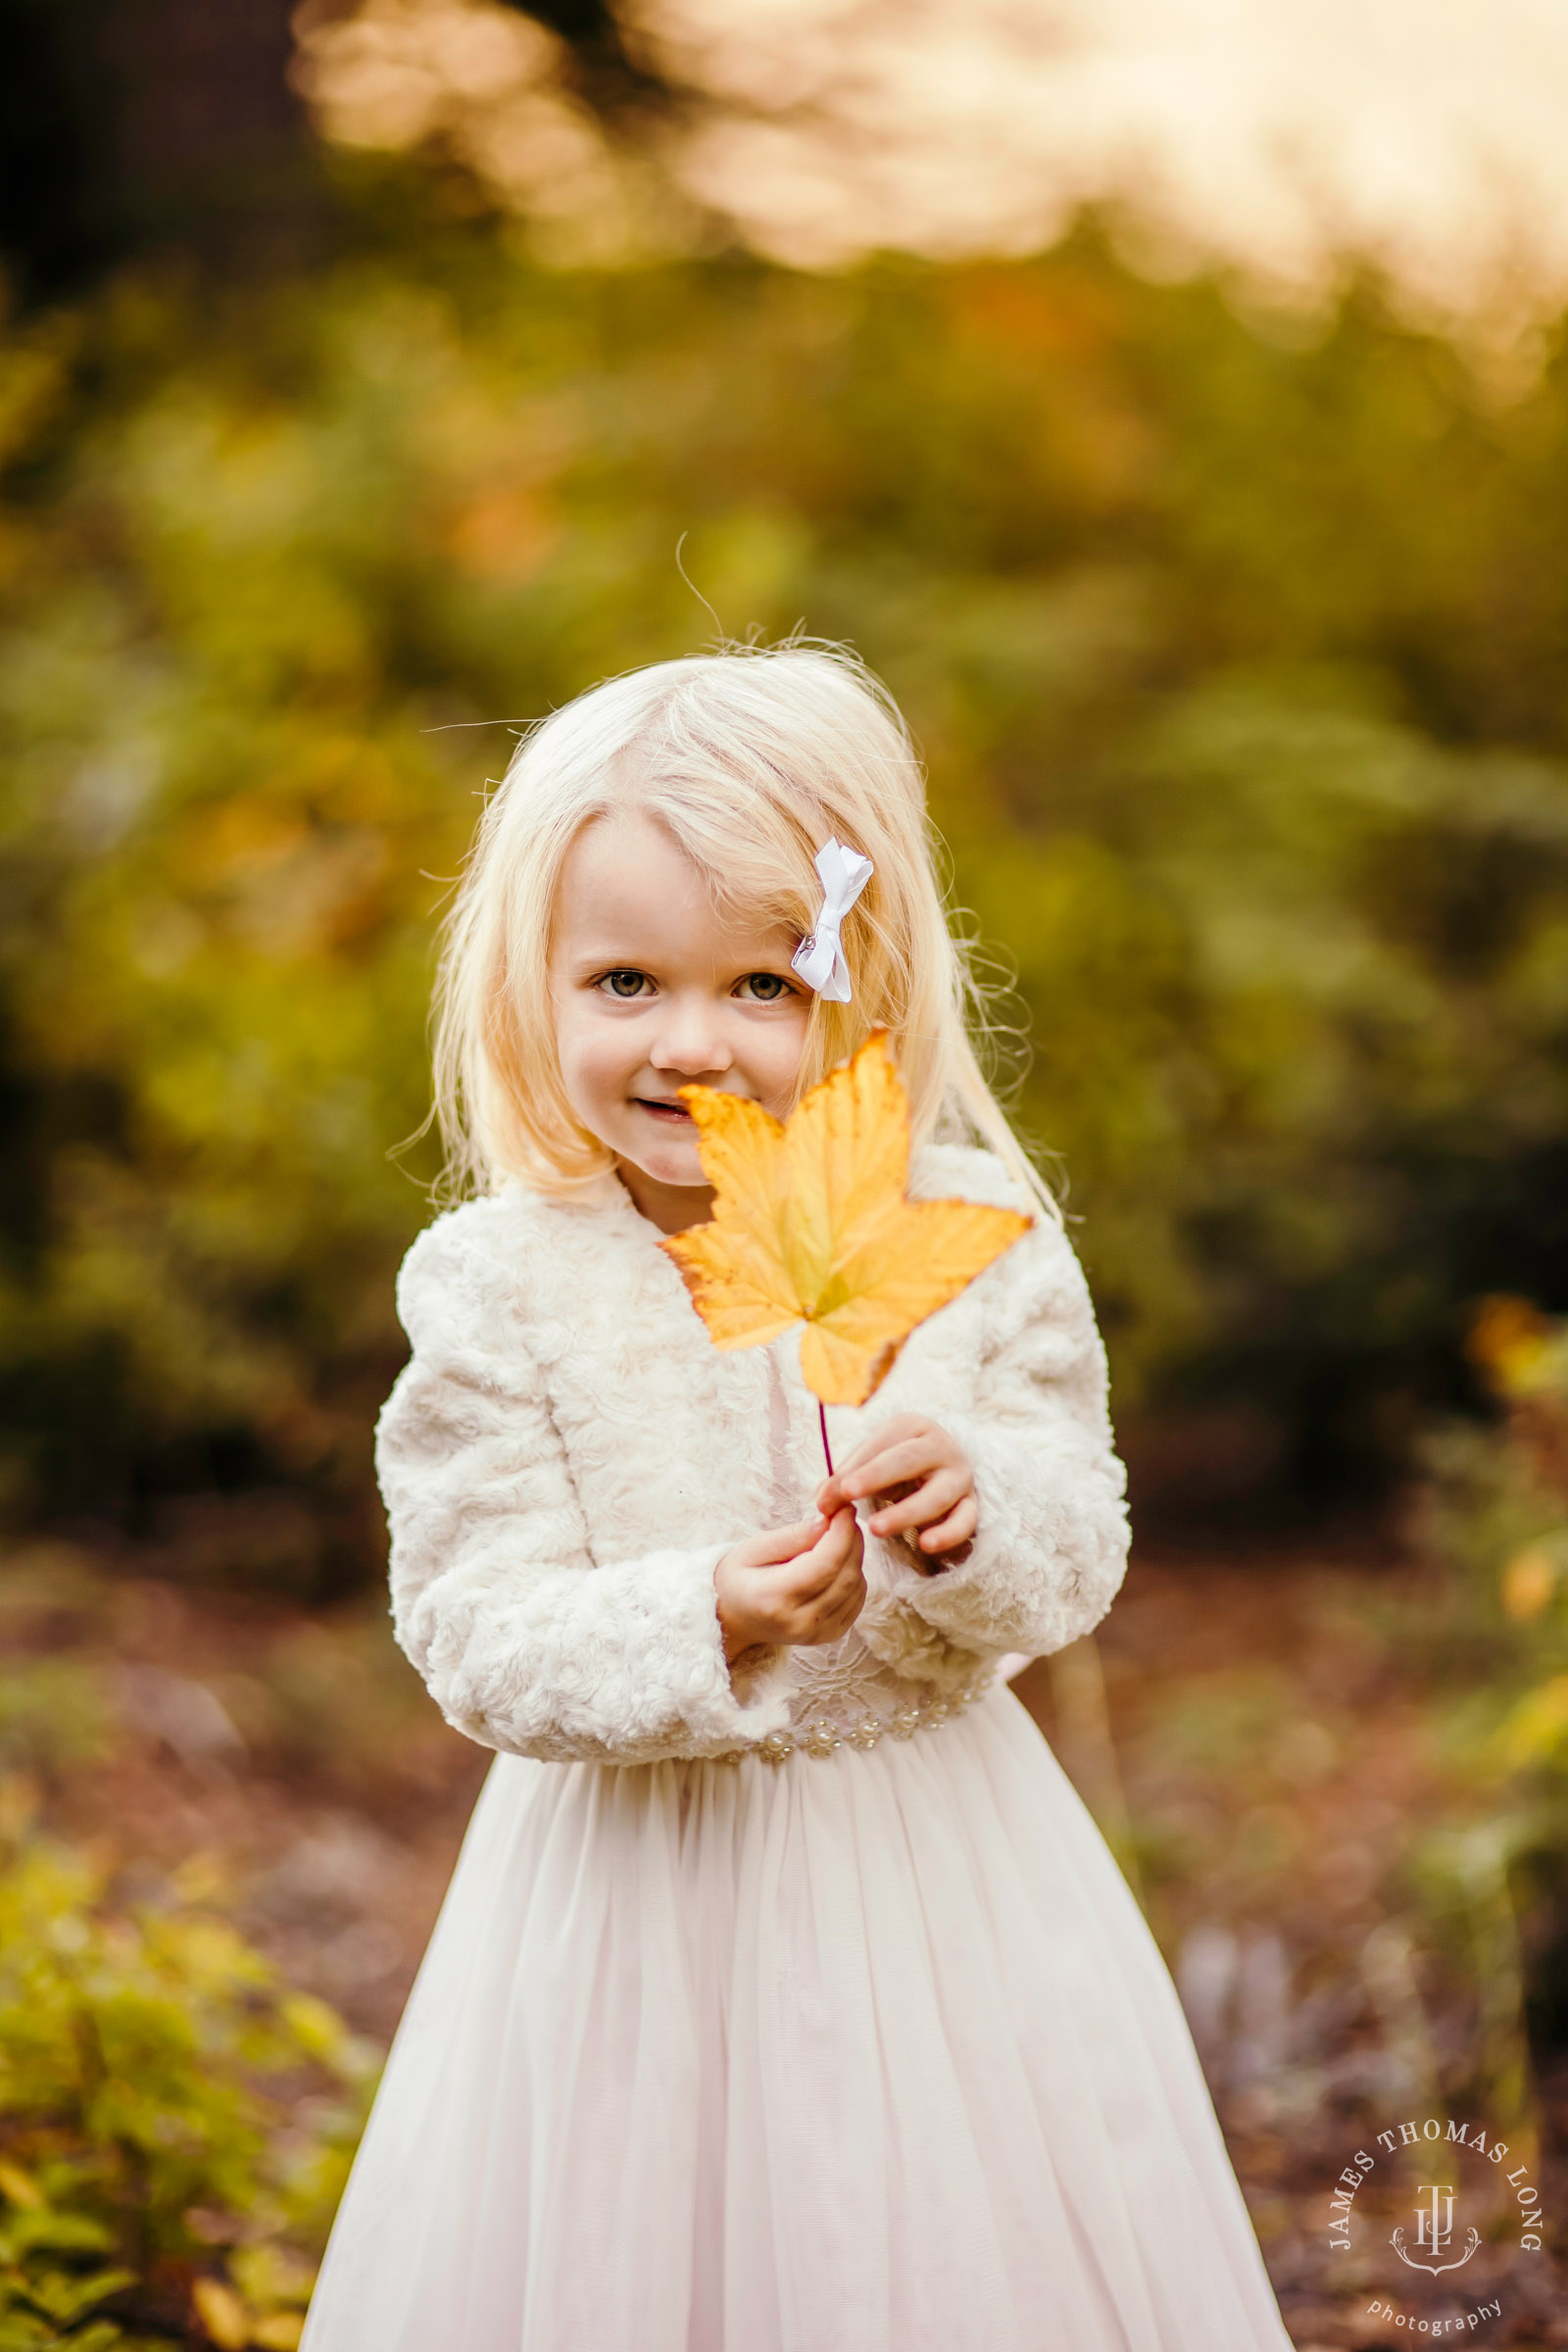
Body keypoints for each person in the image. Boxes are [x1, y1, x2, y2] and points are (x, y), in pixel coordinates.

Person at [300, 646, 1294, 2352]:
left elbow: (1078, 1537)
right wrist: (706, 1618)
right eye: (624, 980)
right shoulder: (500, 1283)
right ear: (530, 985)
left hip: (936, 1868)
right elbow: (474, 1626)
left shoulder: (968, 1229)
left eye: (762, 984)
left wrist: (973, 1513)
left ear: (862, 980)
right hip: (632, 1902)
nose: (693, 1042)